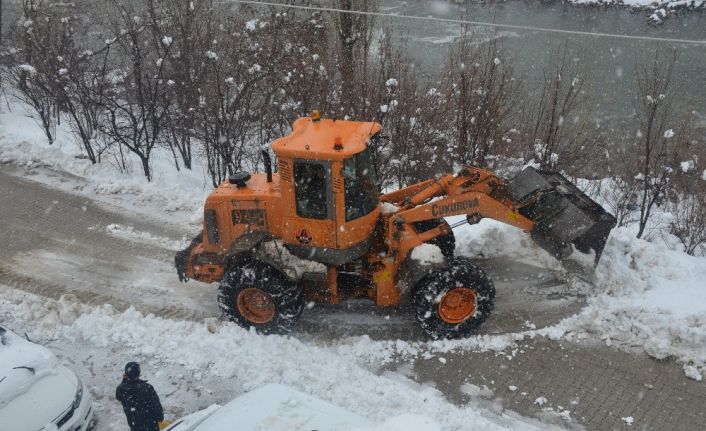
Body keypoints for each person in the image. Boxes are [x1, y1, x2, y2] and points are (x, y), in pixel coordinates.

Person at [116, 362, 164, 431]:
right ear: (139, 373)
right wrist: (160, 418)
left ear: (126, 374)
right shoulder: (147, 388)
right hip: (151, 426)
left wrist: (124, 380)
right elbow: (157, 408)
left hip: (135, 426)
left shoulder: (121, 389)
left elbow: (118, 397)